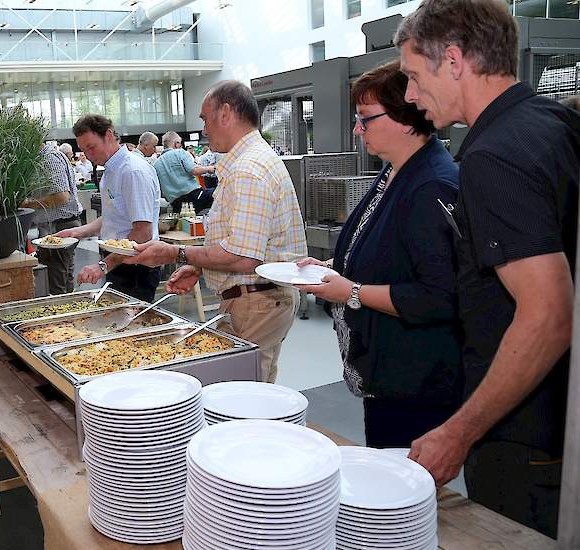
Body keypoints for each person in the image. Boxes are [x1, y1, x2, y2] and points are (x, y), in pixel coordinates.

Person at [397, 0, 580, 537]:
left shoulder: (492, 155)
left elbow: (548, 313)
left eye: (412, 75)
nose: (409, 95)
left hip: (524, 436)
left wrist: (460, 431)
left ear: (453, 60)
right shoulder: (553, 121)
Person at [295, 60, 463, 449]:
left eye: (365, 119)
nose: (357, 129)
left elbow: (437, 296)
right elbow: (390, 254)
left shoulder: (431, 186)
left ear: (406, 119)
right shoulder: (395, 172)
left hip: (416, 377)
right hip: (390, 372)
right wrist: (333, 268)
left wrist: (350, 292)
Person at [126, 80, 306, 383]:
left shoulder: (248, 169)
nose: (205, 129)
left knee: (243, 398)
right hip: (252, 298)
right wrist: (198, 265)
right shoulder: (245, 163)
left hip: (256, 300)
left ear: (225, 113)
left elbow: (243, 257)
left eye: (205, 119)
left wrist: (176, 252)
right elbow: (237, 241)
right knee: (247, 389)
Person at [54, 114, 161, 302]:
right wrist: (78, 232)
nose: (88, 155)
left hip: (135, 266)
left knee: (133, 326)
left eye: (91, 147)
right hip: (119, 261)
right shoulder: (112, 170)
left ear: (109, 135)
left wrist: (103, 266)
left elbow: (142, 232)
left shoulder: (132, 171)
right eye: (83, 150)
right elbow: (114, 215)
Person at [22, 142, 84, 294]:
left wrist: (30, 204)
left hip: (59, 226)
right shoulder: (44, 157)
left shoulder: (49, 158)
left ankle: (61, 314)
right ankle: (68, 312)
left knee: (55, 280)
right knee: (63, 275)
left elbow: (62, 196)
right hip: (59, 226)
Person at [152, 131, 215, 214]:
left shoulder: (155, 164)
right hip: (194, 196)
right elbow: (194, 170)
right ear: (176, 144)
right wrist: (209, 168)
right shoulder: (180, 152)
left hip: (176, 204)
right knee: (219, 193)